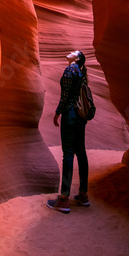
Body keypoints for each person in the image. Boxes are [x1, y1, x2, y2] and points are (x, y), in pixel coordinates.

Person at [46, 50, 90, 214]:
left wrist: (58, 112)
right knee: (81, 152)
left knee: (68, 154)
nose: (69, 52)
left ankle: (64, 199)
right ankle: (83, 194)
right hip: (80, 116)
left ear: (77, 58)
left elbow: (65, 96)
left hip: (70, 115)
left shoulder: (70, 70)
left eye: (74, 52)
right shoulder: (82, 72)